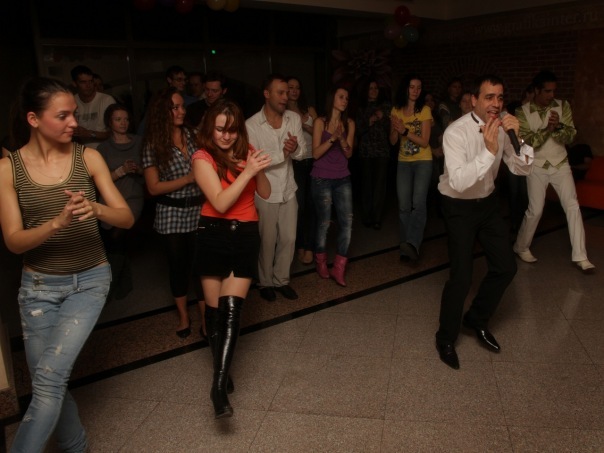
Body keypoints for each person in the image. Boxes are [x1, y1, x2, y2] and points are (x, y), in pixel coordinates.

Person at [0, 77, 133, 452]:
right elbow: (13, 240)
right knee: (50, 382)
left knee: (48, 382)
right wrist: (55, 223)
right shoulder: (8, 169)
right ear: (33, 119)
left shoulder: (88, 158)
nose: (74, 122)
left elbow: (125, 218)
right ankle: (78, 447)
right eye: (63, 115)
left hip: (89, 281)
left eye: (74, 113)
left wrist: (96, 208)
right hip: (38, 289)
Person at [435, 74, 534, 370]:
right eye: (489, 97)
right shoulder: (455, 132)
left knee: (506, 267)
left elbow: (521, 169)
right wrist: (488, 152)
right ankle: (445, 337)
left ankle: (476, 318)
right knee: (462, 277)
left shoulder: (502, 128)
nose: (496, 103)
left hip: (488, 205)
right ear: (474, 100)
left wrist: (519, 139)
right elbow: (459, 181)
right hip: (458, 207)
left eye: (500, 97)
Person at [192, 99, 271, 419]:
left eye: (232, 130)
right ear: (210, 128)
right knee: (213, 315)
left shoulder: (246, 151)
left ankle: (217, 386)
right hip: (213, 234)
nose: (226, 136)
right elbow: (221, 202)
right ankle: (222, 371)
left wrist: (257, 169)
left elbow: (265, 192)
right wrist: (246, 171)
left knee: (231, 311)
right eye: (220, 129)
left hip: (246, 235)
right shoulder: (202, 157)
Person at [513, 70, 595, 274]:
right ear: (536, 90)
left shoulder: (563, 106)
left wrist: (558, 126)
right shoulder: (522, 112)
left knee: (572, 206)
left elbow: (571, 137)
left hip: (560, 163)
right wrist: (548, 129)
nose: (551, 95)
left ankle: (581, 257)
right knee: (536, 210)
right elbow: (529, 142)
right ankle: (521, 247)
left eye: (553, 91)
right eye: (547, 91)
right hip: (536, 165)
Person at [142, 87, 205, 338]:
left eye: (182, 106)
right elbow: (153, 187)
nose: (182, 111)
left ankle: (205, 318)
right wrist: (188, 178)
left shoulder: (194, 135)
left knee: (200, 266)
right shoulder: (153, 144)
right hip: (171, 213)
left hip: (198, 209)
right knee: (179, 267)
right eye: (175, 107)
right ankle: (184, 316)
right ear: (163, 112)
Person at [246, 74, 307, 301]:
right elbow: (255, 159)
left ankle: (282, 280)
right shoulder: (251, 125)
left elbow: (302, 153)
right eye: (280, 93)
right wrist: (283, 153)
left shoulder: (293, 118)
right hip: (265, 191)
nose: (285, 97)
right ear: (266, 94)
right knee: (267, 240)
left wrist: (294, 148)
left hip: (288, 187)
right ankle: (265, 283)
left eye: (287, 93)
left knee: (289, 238)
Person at [97, 103, 145, 300]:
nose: (123, 123)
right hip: (109, 199)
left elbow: (151, 171)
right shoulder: (103, 148)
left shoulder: (139, 142)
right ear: (110, 122)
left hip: (133, 197)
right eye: (118, 119)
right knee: (111, 241)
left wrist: (137, 169)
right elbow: (100, 179)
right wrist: (121, 171)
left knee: (117, 235)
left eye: (126, 119)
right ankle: (124, 285)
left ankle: (107, 289)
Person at [311, 86, 355, 286]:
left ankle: (339, 268)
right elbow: (315, 153)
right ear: (332, 99)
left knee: (347, 222)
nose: (345, 100)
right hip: (322, 178)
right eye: (341, 97)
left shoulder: (349, 123)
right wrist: (333, 139)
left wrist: (342, 138)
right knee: (324, 222)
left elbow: (348, 153)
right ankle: (320, 261)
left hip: (342, 178)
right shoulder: (320, 122)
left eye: (347, 98)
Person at [390, 73, 433, 262]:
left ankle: (413, 244)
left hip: (423, 160)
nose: (415, 91)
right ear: (406, 88)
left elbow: (424, 141)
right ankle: (405, 246)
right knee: (403, 206)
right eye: (412, 87)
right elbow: (393, 141)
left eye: (419, 87)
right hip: (403, 161)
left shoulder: (424, 110)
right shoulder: (396, 110)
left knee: (418, 203)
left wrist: (405, 131)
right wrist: (395, 129)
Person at [286, 75, 318, 264]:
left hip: (314, 161)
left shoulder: (310, 110)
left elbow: (321, 133)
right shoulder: (282, 112)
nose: (294, 91)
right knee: (299, 206)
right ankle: (300, 245)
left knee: (313, 205)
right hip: (295, 164)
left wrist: (304, 125)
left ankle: (310, 247)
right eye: (290, 87)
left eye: (297, 87)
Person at [356, 79, 391, 230]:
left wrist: (382, 118)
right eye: (371, 88)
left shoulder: (386, 107)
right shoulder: (361, 108)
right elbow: (357, 130)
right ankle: (367, 216)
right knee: (366, 185)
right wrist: (369, 122)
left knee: (379, 186)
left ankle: (377, 218)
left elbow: (391, 128)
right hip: (366, 152)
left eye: (376, 88)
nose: (374, 90)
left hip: (382, 151)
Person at [71, 65, 116, 149]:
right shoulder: (71, 101)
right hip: (80, 151)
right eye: (83, 82)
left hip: (105, 150)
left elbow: (116, 132)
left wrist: (89, 133)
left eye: (90, 81)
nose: (88, 85)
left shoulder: (106, 100)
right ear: (74, 83)